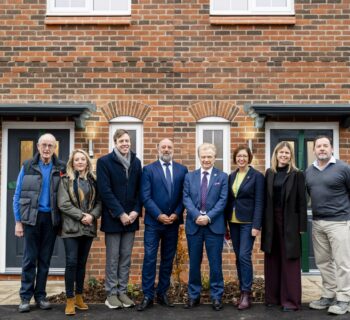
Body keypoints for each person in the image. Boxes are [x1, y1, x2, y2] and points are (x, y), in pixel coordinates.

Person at [13, 133, 66, 313]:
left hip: (50, 220)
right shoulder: (28, 166)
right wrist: (18, 221)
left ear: (54, 148)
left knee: (45, 260)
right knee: (29, 259)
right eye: (43, 145)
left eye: (50, 145)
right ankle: (25, 297)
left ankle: (40, 296)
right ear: (38, 146)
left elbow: (66, 196)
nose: (46, 149)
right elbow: (18, 194)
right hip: (31, 219)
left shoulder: (61, 167)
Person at [137, 138, 188, 311]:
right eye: (163, 147)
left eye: (169, 147)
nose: (166, 149)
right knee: (150, 258)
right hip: (153, 223)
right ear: (157, 148)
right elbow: (145, 196)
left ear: (173, 149)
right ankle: (147, 295)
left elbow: (184, 196)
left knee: (167, 259)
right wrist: (159, 215)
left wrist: (176, 214)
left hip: (173, 223)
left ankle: (162, 293)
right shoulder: (148, 170)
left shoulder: (182, 170)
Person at [97, 129, 142, 309]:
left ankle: (122, 291)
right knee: (113, 258)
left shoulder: (136, 162)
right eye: (121, 141)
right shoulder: (104, 162)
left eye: (127, 141)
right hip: (113, 219)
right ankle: (111, 293)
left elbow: (141, 190)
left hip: (131, 219)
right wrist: (121, 213)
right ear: (115, 142)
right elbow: (105, 191)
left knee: (126, 257)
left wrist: (136, 211)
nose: (125, 144)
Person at [305, 135, 350, 315]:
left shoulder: (343, 168)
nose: (322, 149)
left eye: (325, 146)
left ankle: (344, 298)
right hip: (317, 222)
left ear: (331, 148)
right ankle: (328, 295)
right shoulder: (309, 171)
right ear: (314, 150)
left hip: (339, 222)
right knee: (323, 262)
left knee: (342, 263)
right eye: (318, 146)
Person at [261, 141, 307, 312]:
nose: (284, 155)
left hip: (290, 222)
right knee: (272, 259)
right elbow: (265, 200)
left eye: (287, 153)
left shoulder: (297, 174)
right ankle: (272, 298)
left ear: (291, 156)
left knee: (290, 261)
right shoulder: (269, 173)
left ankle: (290, 301)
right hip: (272, 221)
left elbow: (303, 202)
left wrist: (302, 226)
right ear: (276, 154)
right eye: (281, 152)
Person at [183, 143, 228, 311]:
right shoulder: (190, 176)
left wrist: (208, 217)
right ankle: (194, 296)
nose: (206, 159)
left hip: (214, 226)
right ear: (199, 157)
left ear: (214, 158)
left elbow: (223, 201)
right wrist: (197, 216)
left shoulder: (222, 177)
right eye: (203, 156)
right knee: (194, 263)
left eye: (209, 156)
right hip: (194, 226)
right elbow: (186, 198)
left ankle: (216, 296)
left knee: (215, 263)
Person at [57, 149, 102, 315]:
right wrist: (82, 215)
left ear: (87, 162)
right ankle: (69, 300)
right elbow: (63, 204)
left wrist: (92, 216)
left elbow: (99, 202)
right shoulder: (65, 180)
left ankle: (79, 297)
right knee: (71, 262)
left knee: (82, 264)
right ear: (72, 163)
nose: (80, 162)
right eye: (77, 160)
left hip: (88, 227)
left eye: (83, 159)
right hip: (71, 227)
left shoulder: (94, 181)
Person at [225, 146, 264, 310]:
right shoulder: (231, 176)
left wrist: (257, 225)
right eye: (238, 156)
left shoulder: (257, 176)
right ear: (235, 158)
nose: (241, 159)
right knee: (238, 257)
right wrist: (225, 224)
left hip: (248, 223)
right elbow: (229, 200)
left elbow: (259, 202)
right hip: (233, 222)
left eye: (244, 156)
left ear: (249, 158)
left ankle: (247, 294)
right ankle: (242, 293)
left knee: (244, 256)